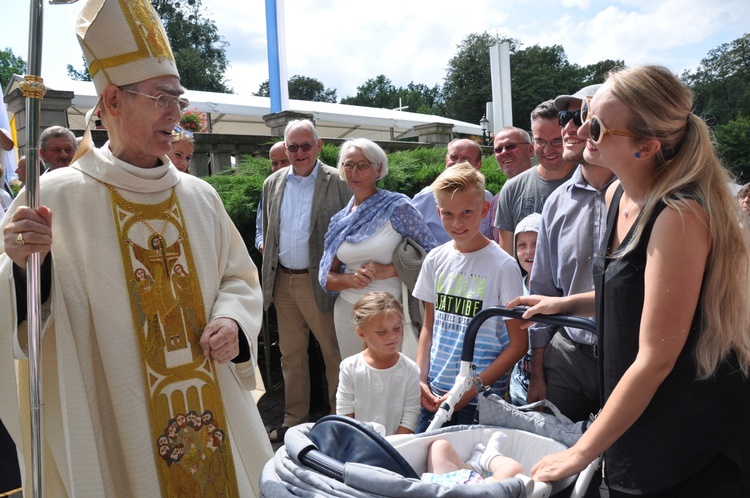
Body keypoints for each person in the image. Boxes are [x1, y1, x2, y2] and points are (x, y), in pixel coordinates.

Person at [0, 1, 272, 496]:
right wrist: (23, 268)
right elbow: (16, 309)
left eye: (179, 98)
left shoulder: (199, 197)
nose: (177, 112)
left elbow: (240, 279)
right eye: (162, 97)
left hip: (211, 405)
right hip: (113, 413)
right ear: (113, 101)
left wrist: (233, 321)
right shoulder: (56, 194)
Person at [511, 66, 750, 496]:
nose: (580, 129)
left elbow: (656, 358)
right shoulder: (616, 194)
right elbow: (631, 296)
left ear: (647, 146)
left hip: (682, 433)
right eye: (585, 113)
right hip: (638, 413)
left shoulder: (678, 217)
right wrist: (563, 305)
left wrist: (581, 450)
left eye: (597, 125)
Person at [525, 84, 616, 425]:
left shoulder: (643, 200)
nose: (567, 128)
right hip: (567, 358)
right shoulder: (556, 202)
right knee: (555, 459)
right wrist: (538, 371)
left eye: (581, 115)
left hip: (628, 357)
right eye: (565, 116)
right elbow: (543, 290)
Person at [414, 163, 526, 432]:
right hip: (435, 393)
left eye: (466, 212)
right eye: (448, 214)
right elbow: (429, 327)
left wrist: (471, 391)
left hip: (481, 402)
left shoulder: (503, 266)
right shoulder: (435, 259)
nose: (457, 222)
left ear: (484, 211)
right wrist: (419, 379)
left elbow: (518, 345)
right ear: (438, 212)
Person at [261, 119, 351, 442]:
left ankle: (342, 423)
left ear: (319, 145)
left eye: (305, 146)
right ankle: (293, 421)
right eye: (292, 147)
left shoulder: (338, 181)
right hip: (283, 281)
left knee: (333, 354)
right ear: (285, 149)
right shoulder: (272, 183)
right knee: (291, 355)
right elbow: (269, 230)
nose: (299, 152)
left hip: (321, 282)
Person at [320, 138, 437, 360]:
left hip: (391, 316)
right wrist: (351, 280)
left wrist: (391, 270)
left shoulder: (398, 207)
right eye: (349, 165)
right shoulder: (340, 220)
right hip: (348, 314)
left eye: (363, 165)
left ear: (378, 169)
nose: (355, 171)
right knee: (357, 381)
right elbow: (327, 276)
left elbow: (433, 255)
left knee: (392, 384)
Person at [493, 100, 576, 254]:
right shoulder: (512, 189)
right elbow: (507, 257)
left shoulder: (589, 180)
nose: (548, 150)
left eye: (556, 141)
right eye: (540, 141)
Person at [335, 291, 421, 435]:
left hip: (395, 450)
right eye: (381, 332)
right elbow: (344, 416)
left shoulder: (410, 370)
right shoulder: (349, 367)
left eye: (397, 328)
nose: (392, 336)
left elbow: (410, 419)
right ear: (362, 333)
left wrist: (389, 451)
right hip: (357, 447)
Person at [411, 138, 494, 244]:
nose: (458, 163)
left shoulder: (487, 198)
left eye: (465, 159)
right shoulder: (425, 198)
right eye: (453, 157)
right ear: (446, 160)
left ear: (478, 165)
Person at [508, 212, 541, 406]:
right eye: (522, 245)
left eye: (536, 244)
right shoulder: (513, 287)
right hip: (517, 386)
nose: (529, 251)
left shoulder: (558, 291)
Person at [421, 431, 524, 486]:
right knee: (514, 469)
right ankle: (490, 457)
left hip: (442, 486)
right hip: (476, 490)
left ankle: (473, 467)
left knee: (439, 446)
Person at [488, 127, 535, 242]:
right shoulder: (495, 201)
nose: (504, 152)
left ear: (530, 150)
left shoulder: (552, 190)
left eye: (511, 146)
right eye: (498, 149)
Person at [254, 141, 290, 254]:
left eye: (284, 161)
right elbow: (260, 229)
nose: (279, 167)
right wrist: (261, 245)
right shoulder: (267, 191)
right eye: (274, 163)